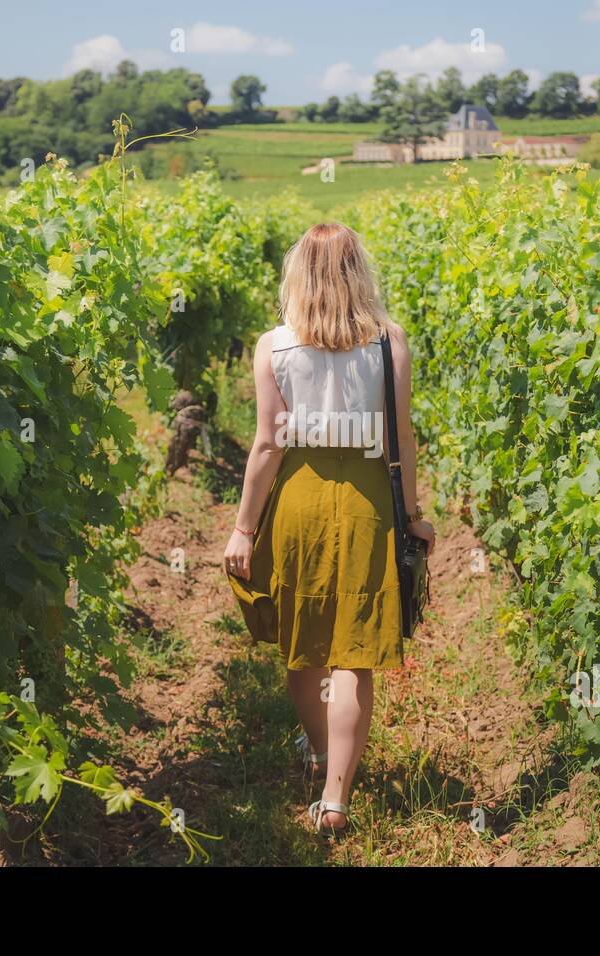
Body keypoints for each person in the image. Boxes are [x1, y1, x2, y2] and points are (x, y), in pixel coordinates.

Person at [223, 222, 436, 836]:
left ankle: (318, 753)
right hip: (367, 495)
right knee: (355, 652)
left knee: (306, 641)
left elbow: (266, 445)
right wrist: (414, 515)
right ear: (357, 271)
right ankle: (336, 797)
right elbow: (403, 438)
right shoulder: (388, 342)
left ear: (298, 275)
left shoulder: (274, 346)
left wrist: (243, 528)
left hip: (299, 495)